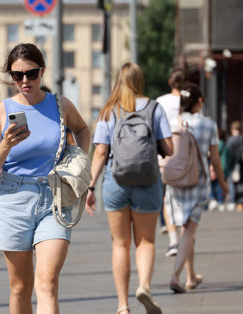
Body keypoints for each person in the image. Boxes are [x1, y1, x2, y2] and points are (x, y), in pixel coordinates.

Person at [0, 43, 90, 314]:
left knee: (47, 282)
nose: (25, 81)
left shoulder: (60, 104)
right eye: (18, 75)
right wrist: (6, 144)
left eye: (31, 73)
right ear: (10, 76)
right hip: (14, 200)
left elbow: (83, 129)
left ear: (42, 70)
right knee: (20, 288)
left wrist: (79, 162)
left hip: (54, 198)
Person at [85, 62, 173, 314]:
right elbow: (169, 148)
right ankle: (144, 286)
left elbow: (101, 152)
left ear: (118, 81)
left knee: (120, 244)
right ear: (140, 81)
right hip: (148, 181)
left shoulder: (108, 111)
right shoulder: (154, 108)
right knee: (145, 241)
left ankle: (122, 306)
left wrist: (90, 188)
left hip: (116, 181)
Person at [165, 83, 228, 293]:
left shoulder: (173, 122)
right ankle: (175, 276)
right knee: (189, 230)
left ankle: (191, 277)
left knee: (186, 231)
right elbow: (215, 159)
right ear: (199, 101)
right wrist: (222, 182)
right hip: (198, 181)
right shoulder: (208, 124)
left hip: (175, 180)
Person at [156, 68, 187, 257]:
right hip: (186, 155)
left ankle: (174, 241)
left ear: (170, 82)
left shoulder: (161, 102)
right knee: (184, 198)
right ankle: (186, 236)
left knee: (167, 198)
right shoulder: (189, 98)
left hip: (165, 155)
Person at [208, 130, 233, 212]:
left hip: (214, 168)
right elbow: (230, 157)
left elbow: (212, 157)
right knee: (220, 185)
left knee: (212, 185)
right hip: (224, 168)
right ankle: (220, 202)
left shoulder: (214, 146)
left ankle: (212, 200)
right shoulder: (227, 146)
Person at [226, 121, 243, 211]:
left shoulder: (230, 140)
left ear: (232, 130)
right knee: (241, 183)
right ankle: (241, 201)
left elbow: (228, 154)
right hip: (242, 163)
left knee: (232, 183)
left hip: (233, 164)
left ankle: (232, 201)